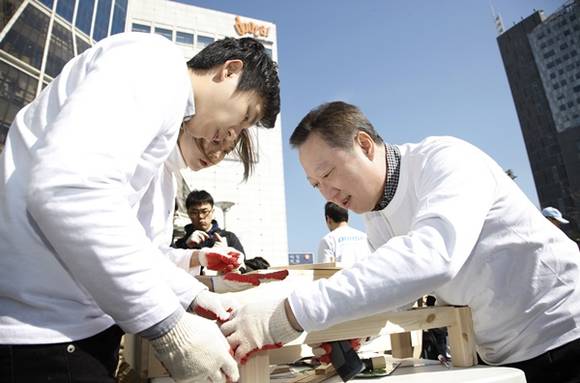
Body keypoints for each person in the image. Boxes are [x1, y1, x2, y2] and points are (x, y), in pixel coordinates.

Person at [220, 101, 580, 383]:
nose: (327, 193)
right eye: (316, 185)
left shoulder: (444, 159)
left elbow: (432, 255)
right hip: (499, 352)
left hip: (564, 334)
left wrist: (291, 313)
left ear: (363, 143)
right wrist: (350, 328)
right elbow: (401, 291)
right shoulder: (376, 217)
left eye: (328, 173)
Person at [0, 31, 280, 383]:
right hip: (47, 336)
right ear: (230, 70)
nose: (230, 134)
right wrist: (169, 326)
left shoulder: (162, 97)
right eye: (245, 118)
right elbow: (70, 190)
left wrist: (191, 295)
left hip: (68, 330)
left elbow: (132, 241)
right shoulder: (153, 64)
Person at [174, 189, 246, 256]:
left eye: (204, 211)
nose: (200, 216)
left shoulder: (229, 237)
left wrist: (227, 252)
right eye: (194, 212)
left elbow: (242, 266)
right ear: (188, 214)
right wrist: (186, 246)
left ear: (212, 212)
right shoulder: (181, 243)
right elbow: (172, 266)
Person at [317, 201, 369, 266]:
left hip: (342, 276)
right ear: (347, 216)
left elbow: (324, 271)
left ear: (328, 219)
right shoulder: (365, 237)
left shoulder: (328, 240)